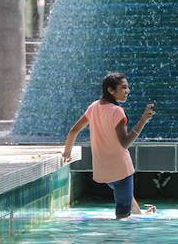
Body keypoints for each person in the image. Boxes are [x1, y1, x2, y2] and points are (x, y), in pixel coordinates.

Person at [61, 72, 156, 219]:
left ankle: (139, 213)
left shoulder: (94, 107)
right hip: (121, 169)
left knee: (124, 193)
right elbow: (125, 143)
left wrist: (67, 152)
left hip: (103, 171)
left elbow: (74, 130)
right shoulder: (117, 111)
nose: (128, 91)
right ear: (111, 90)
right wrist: (143, 120)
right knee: (123, 217)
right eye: (124, 87)